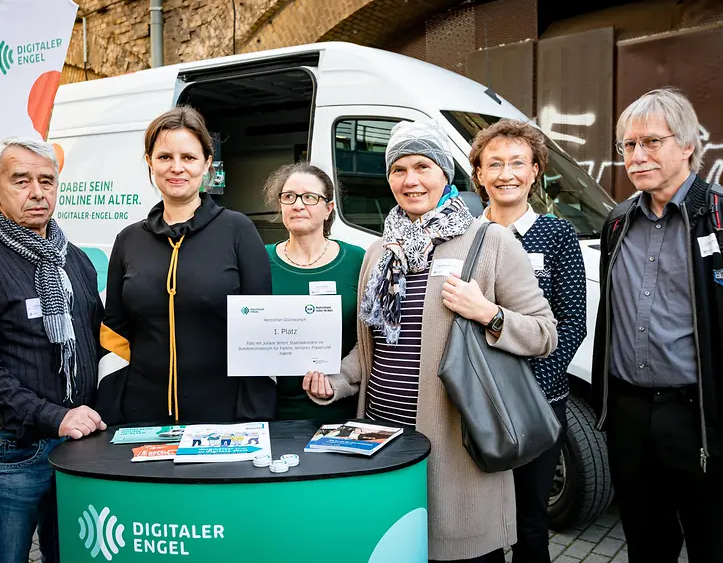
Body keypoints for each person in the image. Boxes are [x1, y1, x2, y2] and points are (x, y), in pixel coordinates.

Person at [303, 118, 558, 562]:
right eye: (399, 170)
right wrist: (337, 380)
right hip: (381, 440)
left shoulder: (489, 241)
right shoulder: (380, 252)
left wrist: (489, 314)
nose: (411, 180)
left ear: (445, 173)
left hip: (455, 444)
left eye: (423, 166)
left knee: (460, 553)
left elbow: (544, 333)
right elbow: (372, 348)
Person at [592, 88, 723, 563]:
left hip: (704, 421)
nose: (637, 156)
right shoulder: (618, 223)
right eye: (628, 146)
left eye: (651, 142)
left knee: (717, 550)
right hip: (630, 420)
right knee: (647, 549)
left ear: (686, 146)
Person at [0, 137, 106, 563]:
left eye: (47, 181)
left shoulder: (74, 261)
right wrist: (55, 416)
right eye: (22, 181)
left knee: (67, 554)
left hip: (76, 446)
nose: (37, 192)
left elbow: (96, 340)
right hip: (13, 451)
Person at [97, 105, 275, 424]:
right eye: (165, 157)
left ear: (206, 164)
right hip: (140, 417)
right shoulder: (128, 240)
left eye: (188, 157)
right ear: (149, 161)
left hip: (222, 418)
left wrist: (254, 418)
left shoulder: (239, 231)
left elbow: (260, 334)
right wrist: (110, 414)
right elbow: (115, 335)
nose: (176, 167)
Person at [470, 119, 587, 563]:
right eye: (494, 163)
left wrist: (532, 389)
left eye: (518, 162)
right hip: (473, 400)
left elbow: (572, 322)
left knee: (530, 523)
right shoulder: (464, 234)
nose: (506, 174)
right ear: (478, 173)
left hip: (537, 404)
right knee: (476, 519)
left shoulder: (556, 236)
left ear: (535, 170)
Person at [263, 162, 364, 421]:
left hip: (340, 407)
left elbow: (370, 339)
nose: (298, 205)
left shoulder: (357, 261)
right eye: (289, 197)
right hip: (270, 410)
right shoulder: (258, 260)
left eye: (309, 197)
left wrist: (339, 379)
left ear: (328, 208)